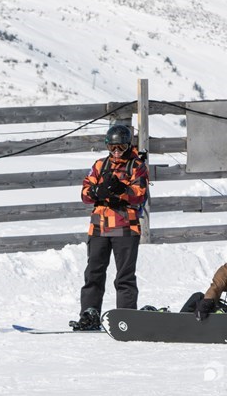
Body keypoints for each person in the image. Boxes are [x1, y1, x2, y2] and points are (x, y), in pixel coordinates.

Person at [70, 124, 149, 331]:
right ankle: (90, 313)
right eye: (112, 147)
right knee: (93, 272)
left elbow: (139, 193)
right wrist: (97, 191)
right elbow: (85, 193)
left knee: (124, 276)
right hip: (99, 227)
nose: (116, 152)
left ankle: (126, 316)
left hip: (125, 226)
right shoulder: (100, 165)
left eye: (120, 147)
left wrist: (120, 191)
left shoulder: (136, 165)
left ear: (128, 145)